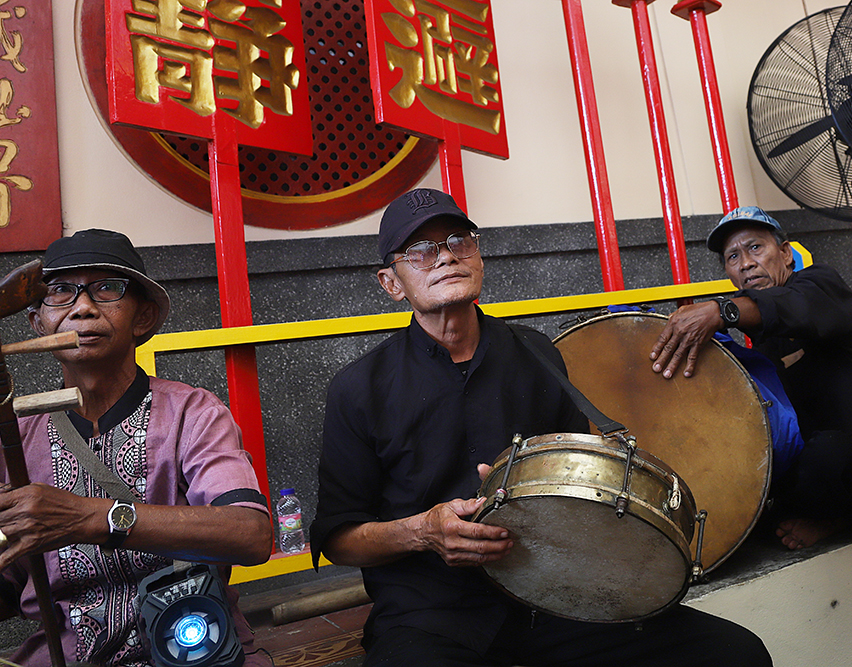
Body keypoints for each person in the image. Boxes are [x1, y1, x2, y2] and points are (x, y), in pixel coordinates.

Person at [311, 189, 772, 667]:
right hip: (431, 618)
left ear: (478, 256)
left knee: (734, 653)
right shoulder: (359, 388)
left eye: (457, 241)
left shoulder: (536, 355)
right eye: (422, 250)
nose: (445, 256)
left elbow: (581, 491)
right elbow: (340, 539)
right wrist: (423, 531)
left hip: (557, 601)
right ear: (391, 282)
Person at [0, 229, 273, 666]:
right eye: (61, 293)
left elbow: (250, 534)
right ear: (37, 323)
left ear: (142, 318)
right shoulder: (15, 441)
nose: (83, 307)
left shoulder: (193, 413)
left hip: (195, 649)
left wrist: (92, 517)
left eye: (107, 288)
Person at [650, 206, 852, 550]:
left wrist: (720, 310)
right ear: (730, 273)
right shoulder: (761, 346)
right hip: (830, 463)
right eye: (733, 256)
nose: (746, 262)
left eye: (755, 248)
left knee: (828, 455)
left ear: (786, 254)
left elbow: (790, 306)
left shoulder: (820, 284)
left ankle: (842, 519)